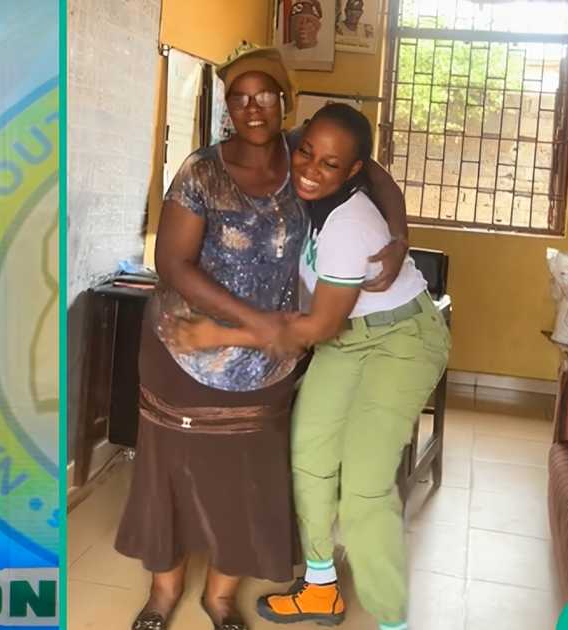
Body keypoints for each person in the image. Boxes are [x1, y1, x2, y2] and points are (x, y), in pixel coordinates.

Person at [115, 45, 411, 630]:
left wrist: (398, 237)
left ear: (286, 101)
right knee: (169, 473)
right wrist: (253, 324)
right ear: (228, 107)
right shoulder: (201, 170)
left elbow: (371, 170)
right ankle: (163, 593)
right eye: (238, 98)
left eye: (265, 95)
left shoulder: (308, 157)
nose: (252, 108)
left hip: (266, 365)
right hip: (186, 344)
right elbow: (172, 262)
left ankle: (219, 596)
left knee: (246, 479)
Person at [174, 104, 450, 630]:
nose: (309, 168)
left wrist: (218, 333)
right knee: (309, 453)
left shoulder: (349, 225)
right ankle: (320, 590)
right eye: (307, 153)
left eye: (330, 164)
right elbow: (377, 175)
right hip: (348, 337)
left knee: (366, 484)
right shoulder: (294, 162)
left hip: (400, 340)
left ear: (350, 171)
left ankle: (393, 619)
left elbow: (318, 328)